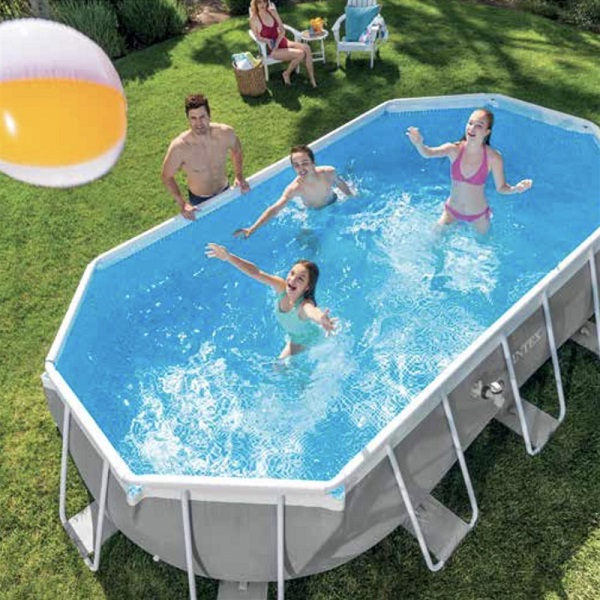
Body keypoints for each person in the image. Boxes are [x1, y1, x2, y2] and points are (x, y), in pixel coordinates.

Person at [406, 108, 533, 234]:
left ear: (487, 132)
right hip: (451, 211)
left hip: (478, 216)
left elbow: (501, 188)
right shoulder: (454, 149)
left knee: (485, 244)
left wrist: (516, 189)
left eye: (479, 125)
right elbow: (428, 153)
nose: (472, 128)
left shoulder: (493, 157)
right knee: (433, 239)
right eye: (470, 123)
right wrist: (419, 144)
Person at [205, 243, 337, 358]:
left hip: (309, 340)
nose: (292, 280)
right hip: (295, 337)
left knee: (284, 368)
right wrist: (229, 257)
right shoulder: (281, 287)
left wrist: (321, 319)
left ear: (307, 287)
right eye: (292, 273)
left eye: (300, 279)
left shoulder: (303, 305)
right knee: (278, 368)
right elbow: (256, 273)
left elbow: (311, 311)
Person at [234, 145, 355, 238]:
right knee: (306, 239)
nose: (301, 168)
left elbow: (340, 183)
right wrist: (253, 228)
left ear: (313, 163)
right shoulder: (295, 188)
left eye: (305, 163)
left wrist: (351, 196)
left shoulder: (328, 172)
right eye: (296, 165)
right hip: (314, 213)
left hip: (334, 201)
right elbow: (275, 209)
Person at [161, 93, 250, 221]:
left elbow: (237, 150)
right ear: (188, 119)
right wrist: (182, 203)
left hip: (225, 190)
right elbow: (166, 176)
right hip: (199, 200)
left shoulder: (225, 133)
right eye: (193, 118)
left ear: (209, 115)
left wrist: (239, 176)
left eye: (202, 117)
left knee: (233, 223)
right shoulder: (180, 147)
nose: (198, 123)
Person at [249, 0, 317, 88]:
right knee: (300, 54)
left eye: (264, 1)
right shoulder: (254, 19)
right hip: (272, 49)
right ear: (255, 3)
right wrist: (267, 40)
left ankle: (312, 79)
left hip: (282, 41)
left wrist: (277, 43)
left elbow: (282, 30)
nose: (262, 4)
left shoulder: (272, 12)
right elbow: (257, 36)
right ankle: (286, 74)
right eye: (259, 2)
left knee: (307, 47)